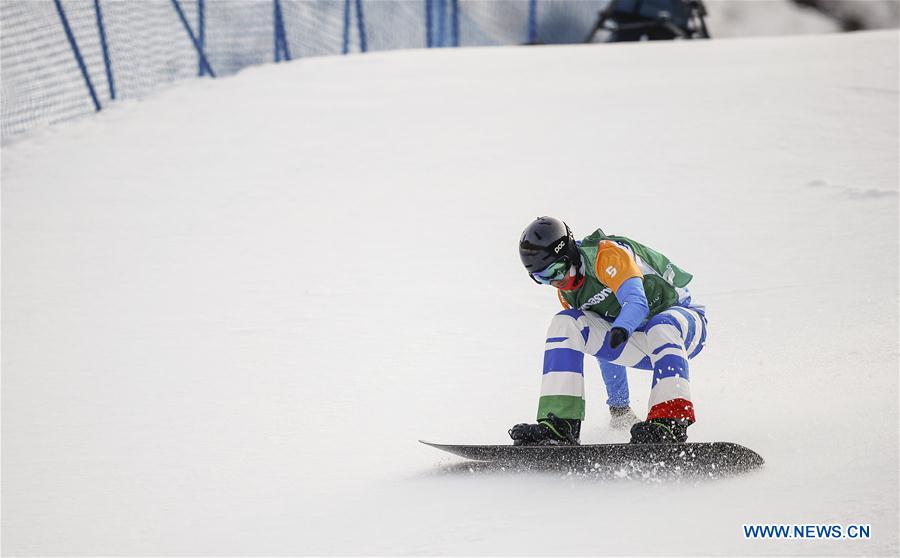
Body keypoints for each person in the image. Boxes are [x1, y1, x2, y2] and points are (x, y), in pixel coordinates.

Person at [509, 217, 707, 445]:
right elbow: (607, 349)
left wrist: (621, 329)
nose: (555, 282)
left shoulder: (606, 255)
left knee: (660, 325)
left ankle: (669, 423)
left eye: (556, 270)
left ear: (570, 254)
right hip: (639, 342)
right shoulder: (568, 294)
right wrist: (619, 406)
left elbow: (637, 302)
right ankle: (560, 426)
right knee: (566, 323)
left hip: (683, 328)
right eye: (541, 278)